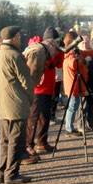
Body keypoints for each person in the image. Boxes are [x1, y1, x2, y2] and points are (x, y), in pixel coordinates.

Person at [0, 26, 35, 184]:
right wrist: (30, 99)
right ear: (14, 38)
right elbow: (26, 81)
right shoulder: (15, 55)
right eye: (19, 36)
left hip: (3, 104)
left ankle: (2, 172)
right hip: (16, 104)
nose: (20, 39)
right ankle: (12, 175)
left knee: (4, 141)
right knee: (16, 141)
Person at [26, 27, 63, 155]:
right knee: (33, 118)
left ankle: (42, 143)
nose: (58, 45)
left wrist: (61, 51)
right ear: (51, 42)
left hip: (48, 88)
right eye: (57, 42)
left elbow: (59, 64)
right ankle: (28, 145)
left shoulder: (51, 52)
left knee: (45, 117)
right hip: (38, 89)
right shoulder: (39, 51)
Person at [63, 31, 93, 137]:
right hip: (73, 84)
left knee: (74, 106)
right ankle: (69, 129)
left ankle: (70, 128)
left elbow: (88, 53)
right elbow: (73, 64)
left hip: (76, 83)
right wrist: (84, 61)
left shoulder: (75, 50)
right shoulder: (70, 52)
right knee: (72, 107)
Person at [76, 36, 93, 131]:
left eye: (86, 42)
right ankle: (81, 125)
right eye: (82, 42)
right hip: (83, 84)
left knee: (92, 105)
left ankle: (91, 123)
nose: (85, 44)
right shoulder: (78, 55)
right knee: (83, 106)